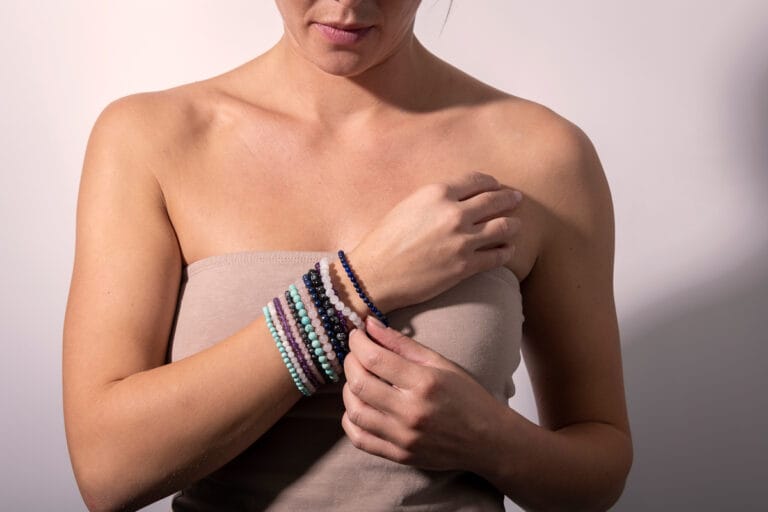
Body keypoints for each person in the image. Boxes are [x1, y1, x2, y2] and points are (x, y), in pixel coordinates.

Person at [62, 1, 633, 510]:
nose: (346, 5)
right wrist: (353, 287)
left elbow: (598, 470)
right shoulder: (152, 138)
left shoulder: (544, 157)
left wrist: (492, 440)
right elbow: (108, 475)